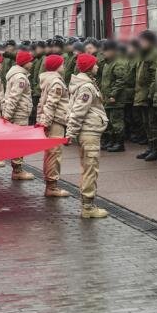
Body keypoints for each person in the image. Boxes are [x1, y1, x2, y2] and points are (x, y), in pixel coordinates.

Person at [66, 53, 109, 219]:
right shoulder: (87, 87)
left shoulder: (85, 84)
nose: (98, 66)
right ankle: (88, 207)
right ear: (90, 67)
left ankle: (88, 204)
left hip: (88, 130)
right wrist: (71, 133)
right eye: (95, 64)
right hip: (89, 132)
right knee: (91, 168)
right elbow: (78, 112)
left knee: (88, 167)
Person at [36, 53, 71, 198]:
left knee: (50, 154)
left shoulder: (47, 80)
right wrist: (45, 123)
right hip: (56, 121)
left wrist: (41, 120)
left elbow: (42, 103)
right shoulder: (56, 82)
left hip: (51, 120)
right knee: (54, 155)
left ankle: (50, 184)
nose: (64, 66)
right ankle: (52, 187)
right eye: (62, 64)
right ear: (57, 66)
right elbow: (51, 104)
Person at [2, 50, 36, 181]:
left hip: (18, 113)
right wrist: (7, 115)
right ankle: (17, 171)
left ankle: (17, 169)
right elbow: (14, 98)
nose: (32, 63)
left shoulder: (16, 75)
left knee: (17, 142)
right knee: (19, 142)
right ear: (25, 63)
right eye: (30, 61)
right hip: (19, 114)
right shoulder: (20, 78)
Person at [133, 30, 157, 161]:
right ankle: (150, 147)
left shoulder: (154, 54)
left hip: (148, 95)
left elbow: (154, 77)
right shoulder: (143, 54)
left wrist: (151, 94)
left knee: (153, 122)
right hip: (142, 94)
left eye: (143, 41)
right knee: (146, 123)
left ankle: (156, 149)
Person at [99, 41, 128, 152]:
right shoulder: (107, 63)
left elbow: (120, 81)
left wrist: (113, 94)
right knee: (109, 121)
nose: (103, 53)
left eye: (106, 50)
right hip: (107, 98)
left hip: (116, 98)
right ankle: (111, 141)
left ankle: (119, 143)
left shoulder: (118, 63)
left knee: (117, 122)